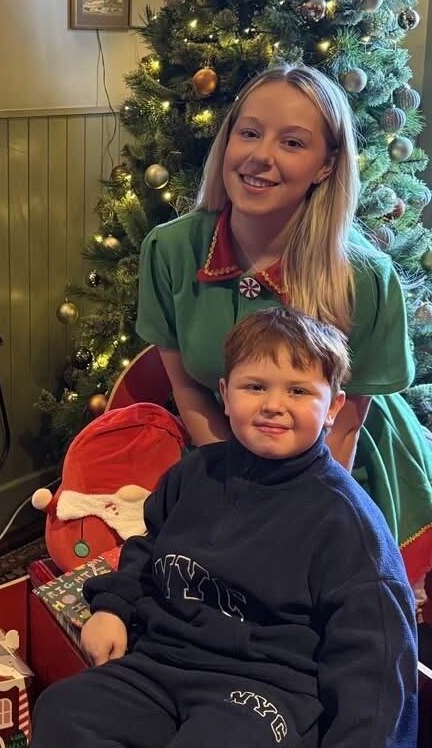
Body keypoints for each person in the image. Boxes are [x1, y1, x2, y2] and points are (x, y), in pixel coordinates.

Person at [32, 306, 417, 747]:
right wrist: (113, 608)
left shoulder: (346, 521)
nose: (273, 405)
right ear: (226, 394)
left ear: (333, 407)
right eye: (255, 386)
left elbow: (377, 662)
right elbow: (149, 546)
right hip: (162, 662)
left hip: (266, 690)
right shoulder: (194, 473)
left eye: (298, 390)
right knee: (64, 710)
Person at [135, 63, 432, 593]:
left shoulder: (365, 277)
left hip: (339, 464)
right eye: (249, 133)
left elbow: (345, 427)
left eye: (292, 143)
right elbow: (188, 387)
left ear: (326, 164)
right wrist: (230, 488)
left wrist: (292, 515)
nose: (260, 156)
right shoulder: (170, 249)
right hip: (223, 448)